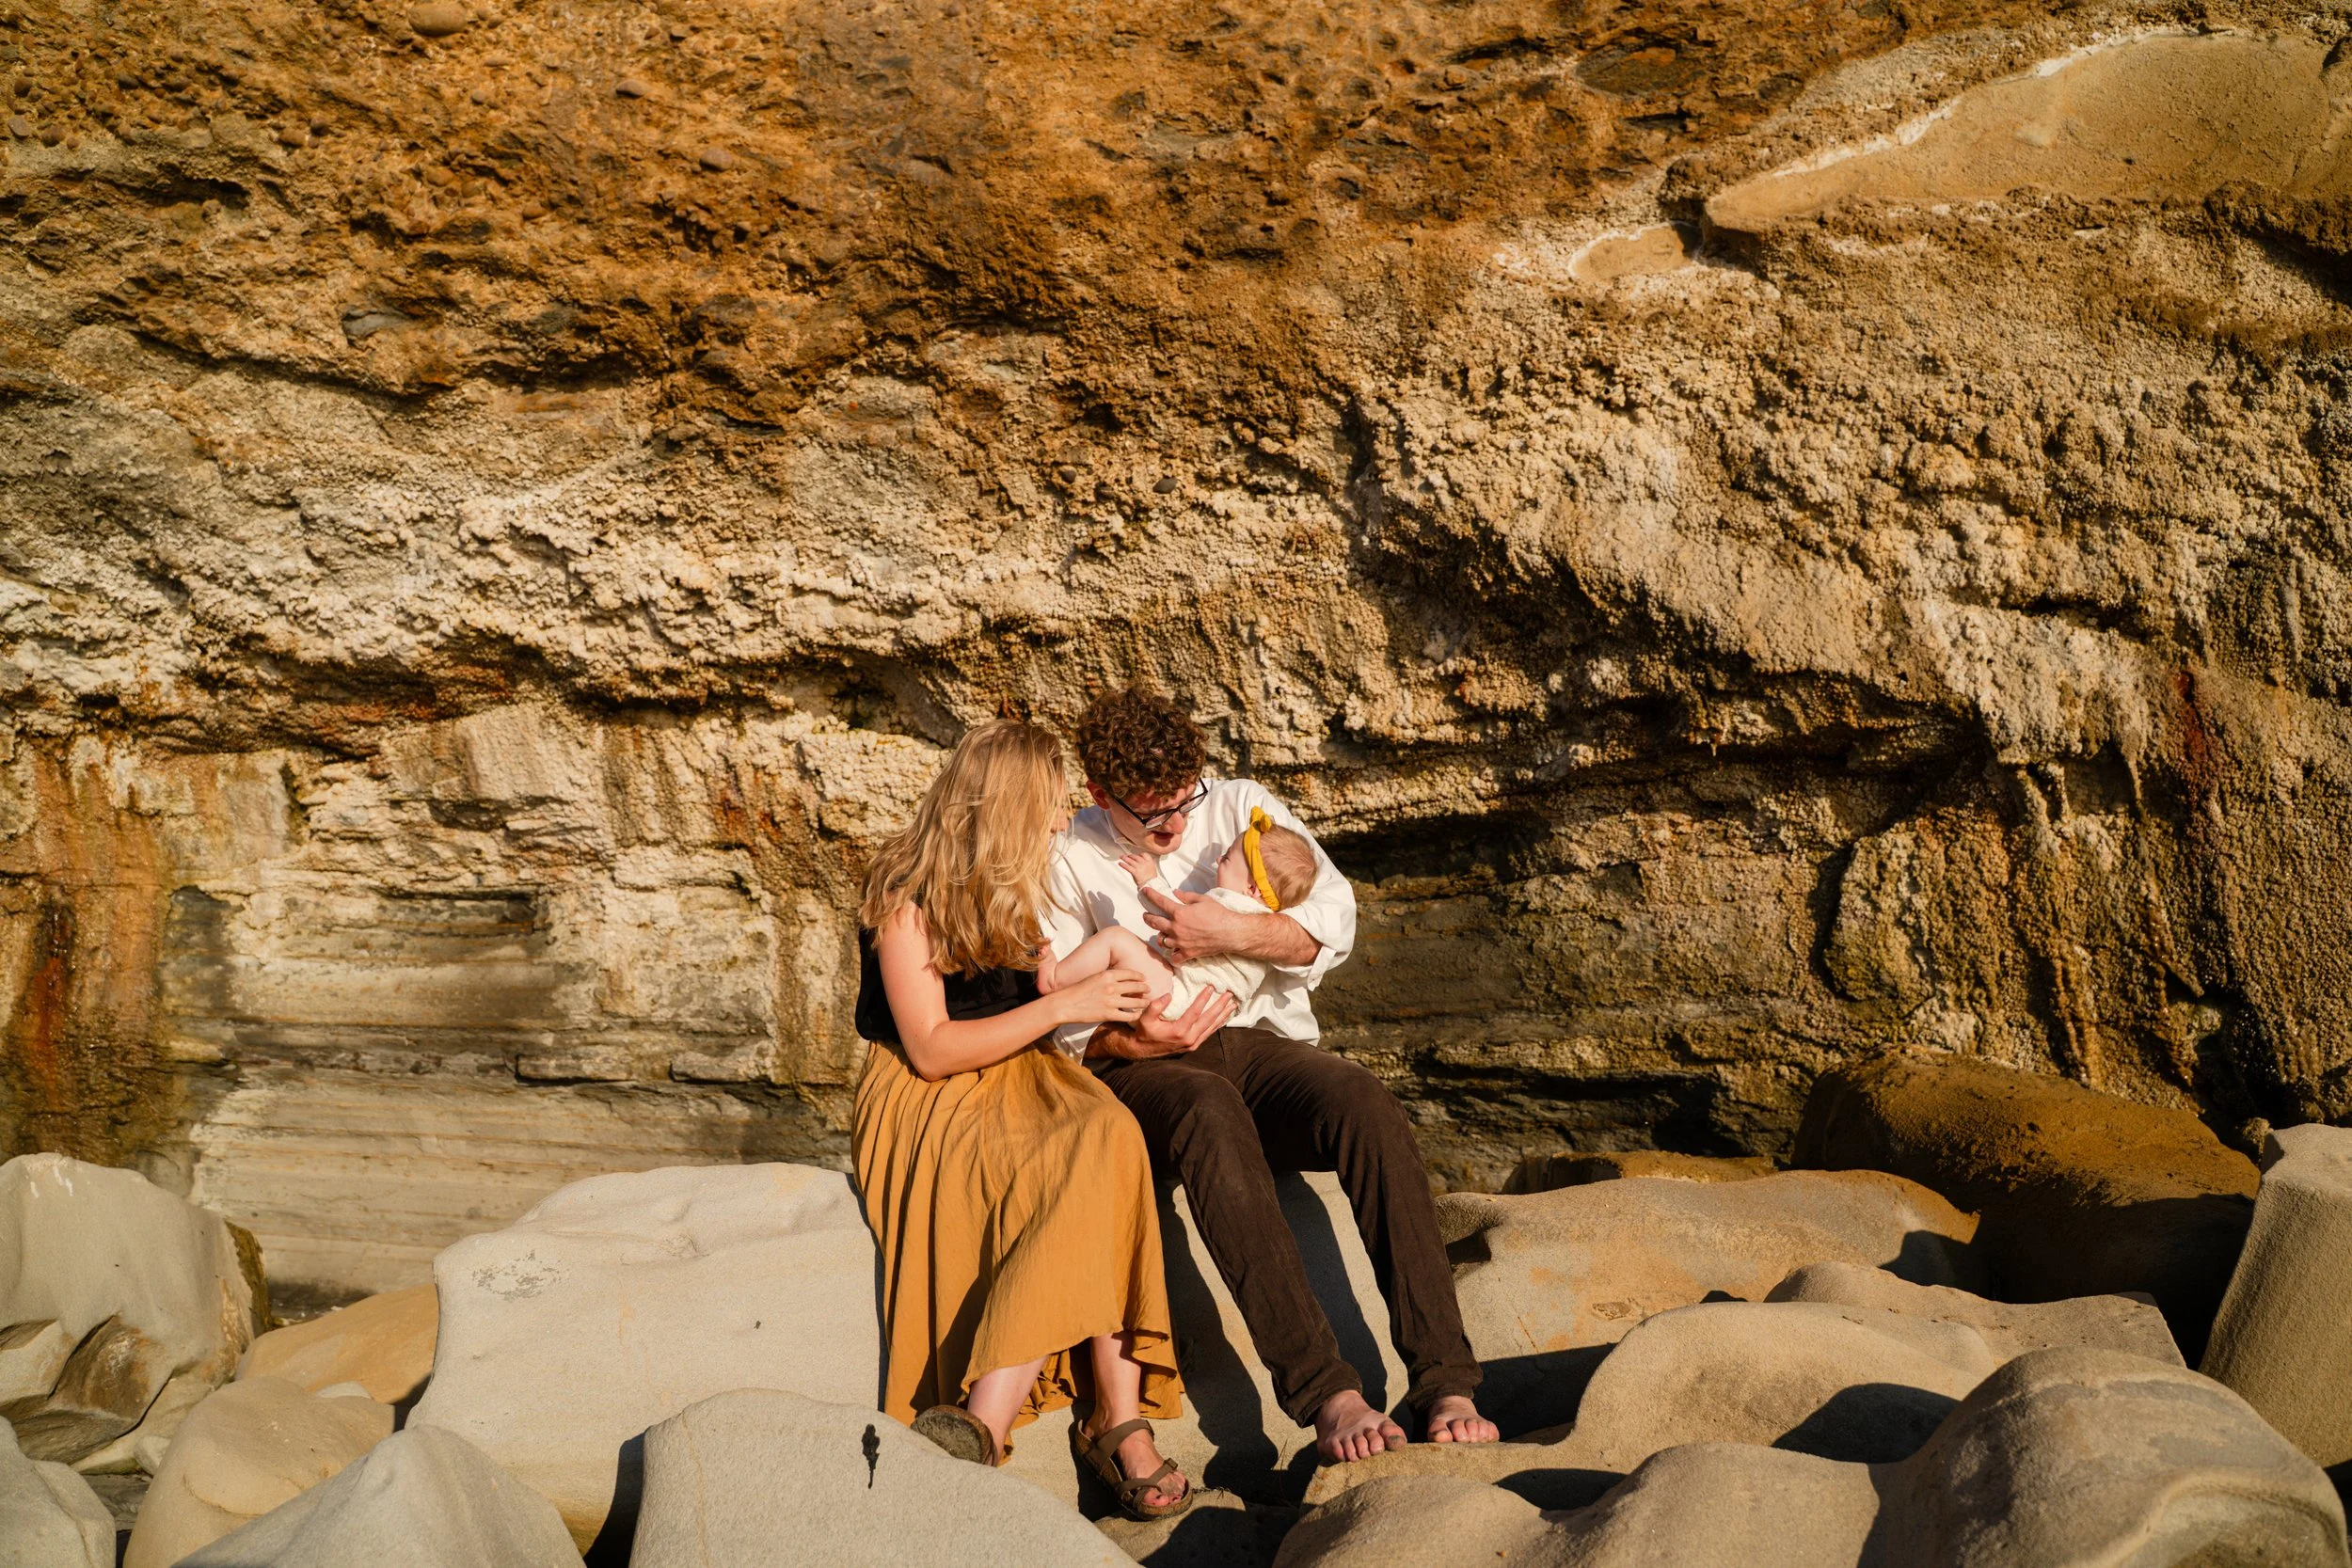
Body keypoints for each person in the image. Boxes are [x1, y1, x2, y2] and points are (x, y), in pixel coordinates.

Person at [1044, 689, 1502, 1463]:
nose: (1178, 824)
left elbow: (1336, 923)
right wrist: (1136, 1038)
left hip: (1254, 1042)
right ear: (1099, 795)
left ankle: (1444, 1378)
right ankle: (1329, 1394)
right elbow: (1065, 1024)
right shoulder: (1068, 858)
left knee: (1361, 1096)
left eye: (1186, 799)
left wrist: (1230, 927)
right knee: (1206, 1107)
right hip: (1147, 1068)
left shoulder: (1243, 808)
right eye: (1154, 815)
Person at [852, 719, 1194, 1519]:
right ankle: (1103, 1424)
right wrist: (1067, 1003)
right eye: (1047, 803)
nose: (1058, 818)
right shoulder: (903, 897)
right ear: (1004, 805)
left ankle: (1019, 1417)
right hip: (930, 1088)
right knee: (1079, 1162)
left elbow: (1039, 992)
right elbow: (932, 1047)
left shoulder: (1018, 881)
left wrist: (1100, 972)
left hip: (1024, 1069)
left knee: (1109, 1133)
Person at [1039, 809, 1319, 1021]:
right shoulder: (1261, 915)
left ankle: (1055, 980)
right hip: (1198, 1008)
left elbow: (1176, 916)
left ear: (1252, 889)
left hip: (1180, 998)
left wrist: (1148, 881)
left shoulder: (1233, 907)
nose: (1217, 860)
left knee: (1115, 939)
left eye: (1228, 858)